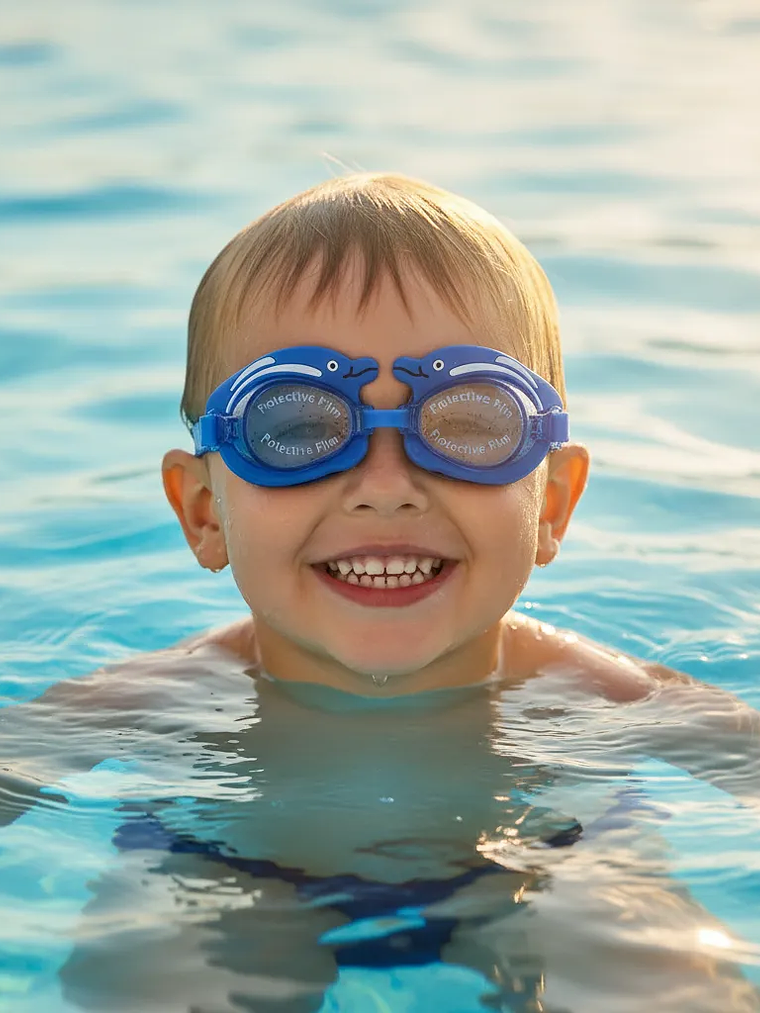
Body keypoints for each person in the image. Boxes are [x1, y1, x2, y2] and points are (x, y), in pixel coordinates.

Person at [3, 173, 760, 1012]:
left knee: (652, 977)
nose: (386, 486)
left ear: (550, 503)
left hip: (549, 855)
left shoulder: (595, 692)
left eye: (470, 423)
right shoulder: (158, 699)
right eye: (294, 428)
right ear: (203, 513)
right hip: (220, 868)